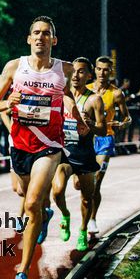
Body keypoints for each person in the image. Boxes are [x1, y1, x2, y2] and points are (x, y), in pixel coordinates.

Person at [0, 16, 88, 279]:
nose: (41, 37)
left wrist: (79, 119)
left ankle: (22, 271)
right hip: (19, 145)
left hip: (49, 146)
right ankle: (44, 211)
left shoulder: (64, 69)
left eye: (46, 33)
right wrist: (8, 102)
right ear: (28, 39)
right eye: (36, 33)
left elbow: (71, 93)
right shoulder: (14, 67)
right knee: (21, 192)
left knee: (30, 204)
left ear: (54, 40)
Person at [51, 58, 106, 251]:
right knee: (57, 191)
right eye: (73, 71)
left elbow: (103, 130)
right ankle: (65, 215)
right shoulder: (61, 96)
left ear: (89, 76)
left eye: (81, 72)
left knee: (86, 197)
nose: (75, 75)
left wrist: (90, 125)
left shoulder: (94, 99)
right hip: (64, 153)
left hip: (84, 155)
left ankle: (82, 230)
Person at [87, 56, 131, 234]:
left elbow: (127, 117)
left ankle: (92, 219)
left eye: (106, 70)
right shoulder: (86, 89)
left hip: (106, 138)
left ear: (110, 72)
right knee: (81, 185)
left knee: (96, 181)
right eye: (99, 69)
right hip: (86, 139)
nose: (102, 73)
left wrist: (124, 124)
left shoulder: (116, 93)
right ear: (95, 70)